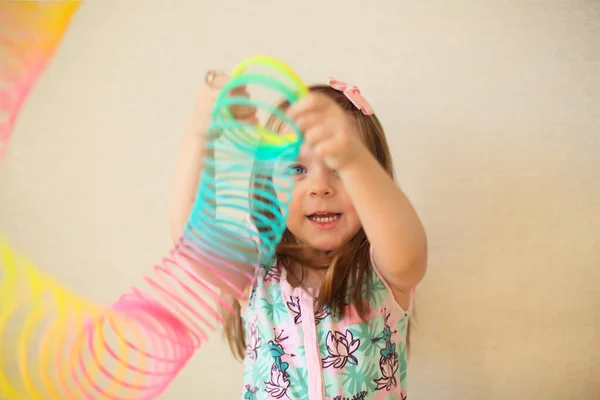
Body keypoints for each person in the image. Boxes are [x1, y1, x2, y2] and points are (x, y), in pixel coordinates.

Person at [170, 69, 427, 400]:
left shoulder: (385, 268)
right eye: (296, 169)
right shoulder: (254, 270)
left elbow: (408, 246)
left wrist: (354, 159)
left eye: (338, 168)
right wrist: (203, 133)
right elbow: (193, 237)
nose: (320, 187)